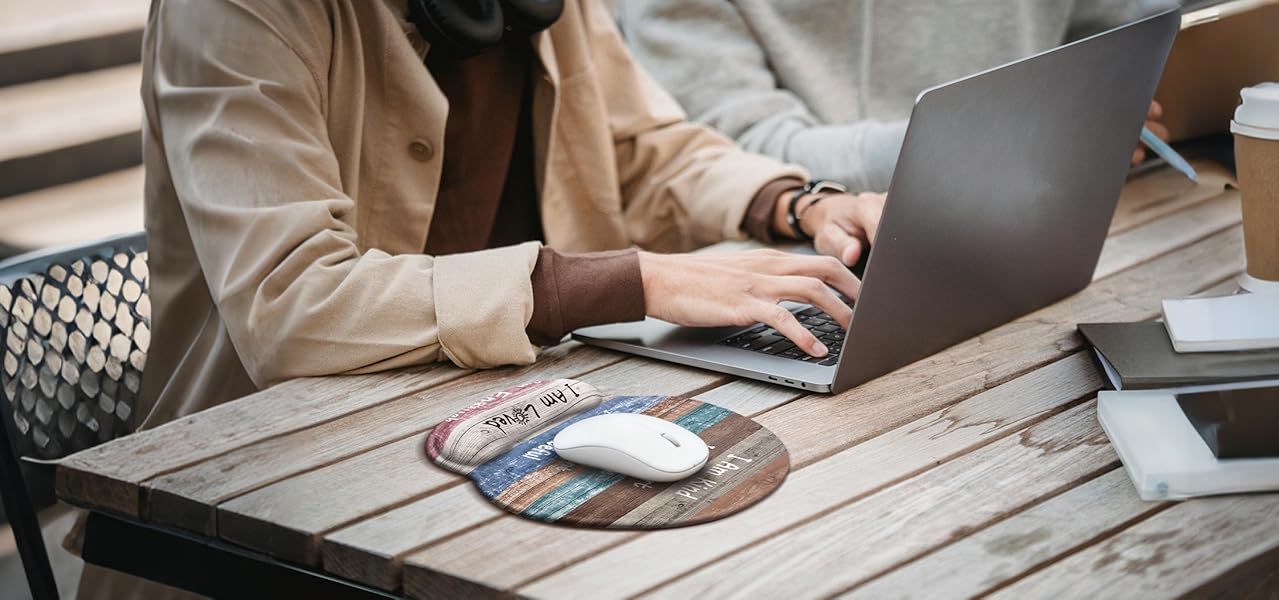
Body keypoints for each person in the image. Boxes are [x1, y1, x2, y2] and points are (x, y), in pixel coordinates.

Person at [77, 0, 884, 596]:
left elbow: (646, 150)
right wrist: (628, 281)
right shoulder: (226, 12)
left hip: (518, 422)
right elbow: (291, 301)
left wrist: (796, 204)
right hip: (273, 501)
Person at [618, 0, 1176, 193]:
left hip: (1089, 206)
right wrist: (985, 144)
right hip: (818, 254)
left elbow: (1129, 35)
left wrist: (1117, 105)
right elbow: (729, 155)